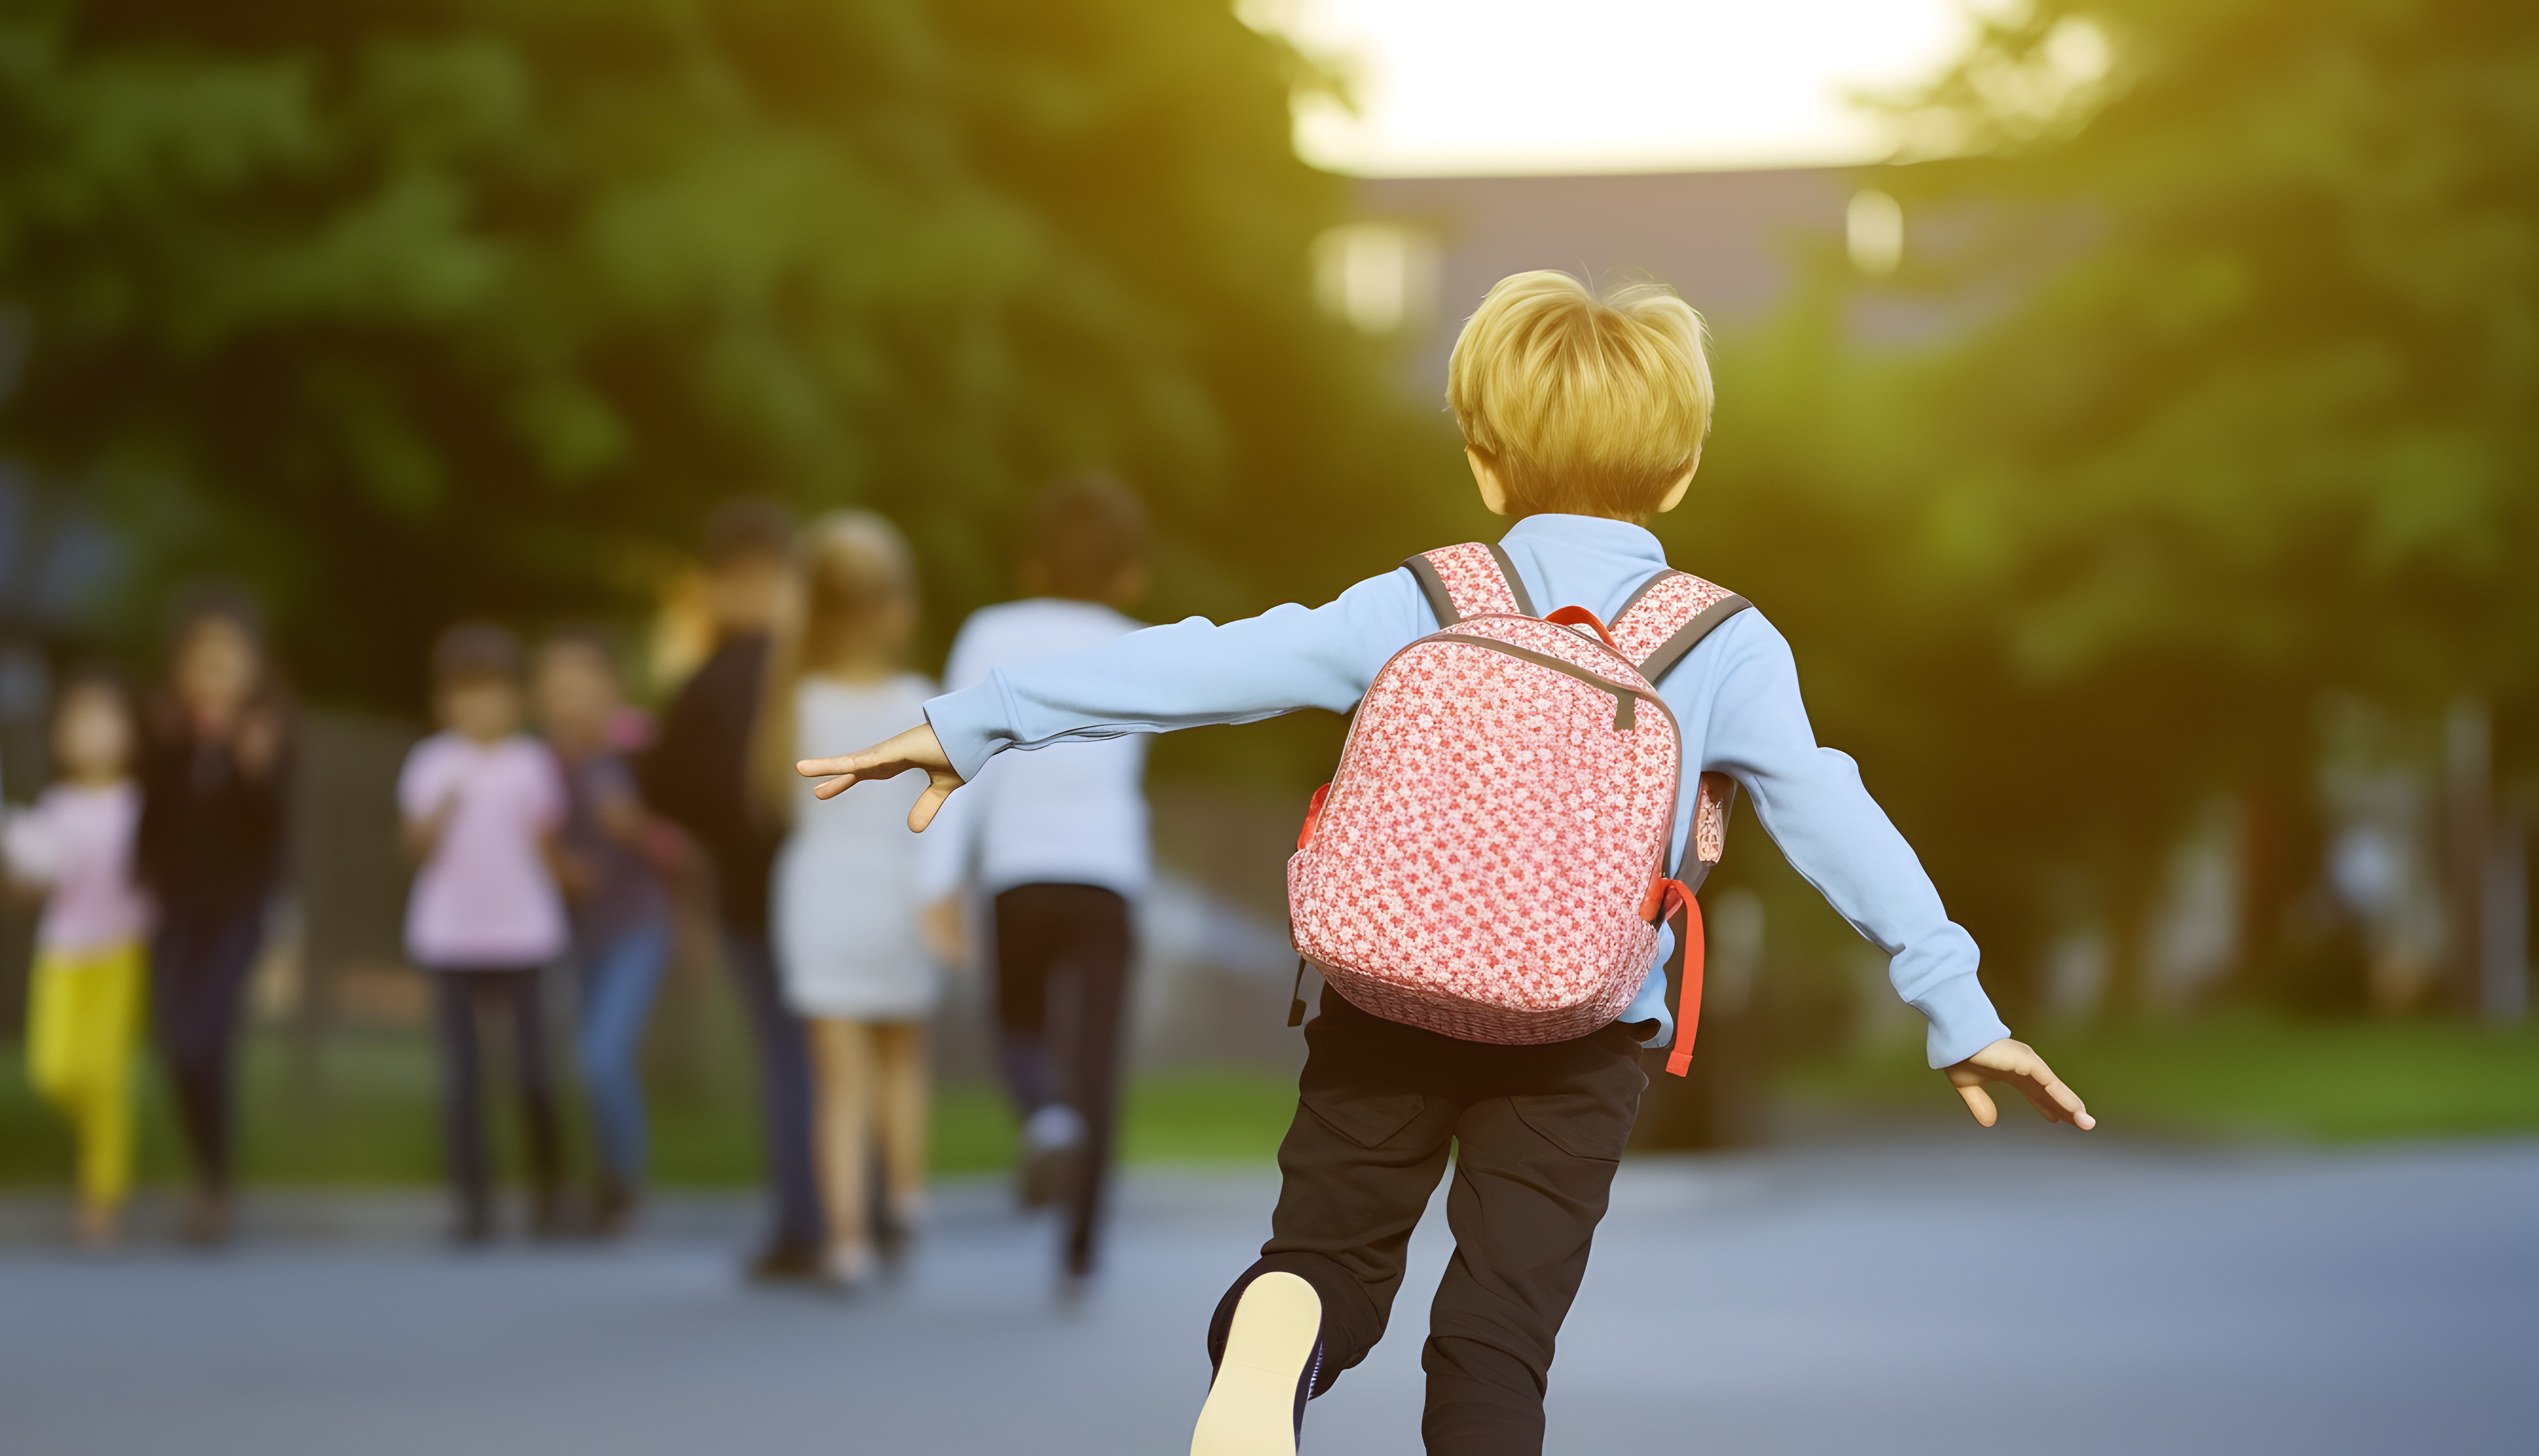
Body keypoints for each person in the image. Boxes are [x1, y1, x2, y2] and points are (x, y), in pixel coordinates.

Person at [797, 271, 2100, 1456]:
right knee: (1494, 1343)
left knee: (1325, 1257)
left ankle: (1279, 1328)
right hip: (1583, 1033)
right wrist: (1956, 1004)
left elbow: (1211, 660)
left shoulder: (1423, 598)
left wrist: (977, 722)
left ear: (1484, 464)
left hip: (1384, 995)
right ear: (1682, 470)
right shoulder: (1721, 643)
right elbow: (1831, 811)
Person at [914, 476, 1151, 1299]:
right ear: (1130, 575)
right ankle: (1081, 1252)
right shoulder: (1138, 642)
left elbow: (955, 756)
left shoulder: (991, 632)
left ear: (1030, 564)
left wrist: (938, 883)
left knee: (1018, 1021)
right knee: (1099, 1059)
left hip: (1019, 871)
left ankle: (1044, 1116)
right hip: (1109, 874)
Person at [635, 498, 823, 1281]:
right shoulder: (818, 672)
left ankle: (803, 1225)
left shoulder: (712, 680)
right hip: (829, 890)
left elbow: (665, 786)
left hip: (751, 893)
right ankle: (861, 1211)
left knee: (787, 1057)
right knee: (839, 1053)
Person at [766, 512, 944, 1288]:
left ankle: (847, 1243)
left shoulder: (793, 703)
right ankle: (903, 1197)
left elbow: (777, 801)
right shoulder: (921, 699)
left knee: (838, 1084)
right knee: (901, 1058)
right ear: (895, 605)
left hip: (820, 894)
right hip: (899, 889)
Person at [401, 622, 569, 1244]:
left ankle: (550, 1193)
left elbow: (547, 844)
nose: (480, 706)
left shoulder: (532, 763)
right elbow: (413, 849)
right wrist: (440, 813)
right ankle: (474, 1204)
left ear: (516, 699)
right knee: (465, 1077)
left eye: (493, 692)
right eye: (467, 693)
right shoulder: (431, 763)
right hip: (451, 936)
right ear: (445, 701)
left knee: (533, 1072)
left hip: (524, 934)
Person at [134, 591, 291, 1245]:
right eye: (203, 659)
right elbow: (149, 823)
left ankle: (216, 1184)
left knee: (209, 1035)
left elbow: (276, 834)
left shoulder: (270, 735)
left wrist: (253, 771)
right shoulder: (168, 739)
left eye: (230, 659)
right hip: (176, 910)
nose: (215, 671)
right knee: (177, 1038)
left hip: (239, 909)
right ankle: (205, 1170)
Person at [0, 673, 150, 1250]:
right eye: (79, 723)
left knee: (105, 1076)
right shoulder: (54, 807)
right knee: (55, 1070)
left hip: (121, 949)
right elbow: (34, 878)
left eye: (104, 721)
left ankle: (102, 1190)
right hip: (62, 951)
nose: (91, 734)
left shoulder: (139, 805)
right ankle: (95, 1152)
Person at [532, 626, 674, 1234]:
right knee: (565, 1058)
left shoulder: (640, 750)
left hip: (637, 926)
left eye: (580, 684)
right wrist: (557, 862)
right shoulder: (538, 765)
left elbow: (677, 841)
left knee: (602, 1055)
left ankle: (622, 1183)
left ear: (611, 689)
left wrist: (636, 827)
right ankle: (578, 1182)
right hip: (567, 933)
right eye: (555, 686)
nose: (568, 698)